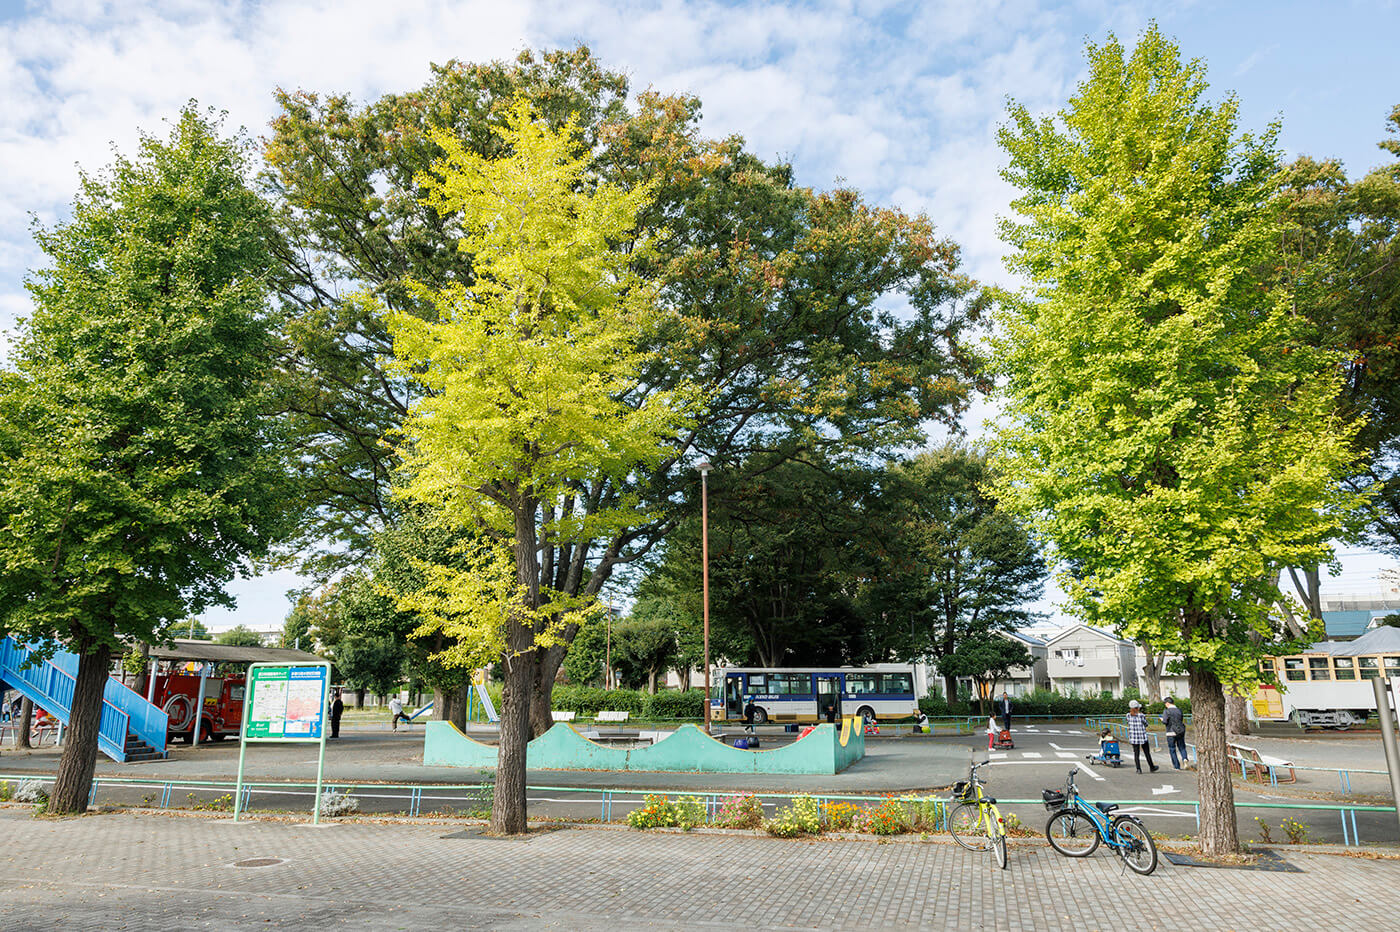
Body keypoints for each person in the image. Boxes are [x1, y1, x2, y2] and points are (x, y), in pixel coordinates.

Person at [1126, 699, 1159, 773]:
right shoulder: (1141, 715)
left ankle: (1138, 769)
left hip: (1133, 737)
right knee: (1147, 752)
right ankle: (1152, 767)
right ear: (1137, 708)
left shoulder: (1128, 715)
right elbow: (1146, 724)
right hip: (1142, 736)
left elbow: (1128, 722)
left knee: (1136, 753)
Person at [1161, 697, 1188, 769]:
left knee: (1172, 749)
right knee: (1182, 747)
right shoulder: (1179, 710)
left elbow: (1165, 721)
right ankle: (1184, 758)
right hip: (1180, 731)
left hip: (1171, 732)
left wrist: (1162, 719)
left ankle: (1177, 766)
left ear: (1167, 703)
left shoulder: (1166, 711)